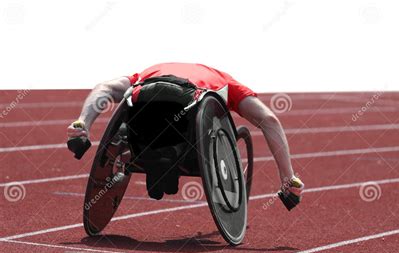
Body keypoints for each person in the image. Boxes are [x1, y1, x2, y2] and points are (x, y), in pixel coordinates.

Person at [67, 62, 304, 210]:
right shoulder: (226, 81)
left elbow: (105, 88)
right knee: (194, 120)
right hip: (188, 121)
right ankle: (168, 159)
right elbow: (269, 121)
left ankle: (149, 156)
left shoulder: (151, 70)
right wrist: (288, 179)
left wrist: (83, 123)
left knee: (138, 110)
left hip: (144, 115)